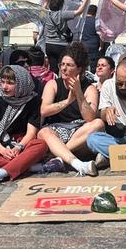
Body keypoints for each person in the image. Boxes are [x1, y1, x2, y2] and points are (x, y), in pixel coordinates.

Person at [0, 65, 48, 189]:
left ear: (21, 84)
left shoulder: (33, 101)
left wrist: (19, 147)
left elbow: (31, 133)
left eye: (10, 83)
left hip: (23, 144)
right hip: (2, 145)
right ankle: (34, 167)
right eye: (2, 82)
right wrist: (3, 151)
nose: (4, 87)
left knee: (41, 145)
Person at [37, 42, 102, 176]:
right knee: (43, 132)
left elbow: (90, 118)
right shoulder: (53, 84)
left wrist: (78, 93)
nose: (64, 69)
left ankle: (58, 156)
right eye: (62, 64)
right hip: (56, 132)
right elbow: (44, 110)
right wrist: (67, 101)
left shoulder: (89, 88)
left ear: (79, 69)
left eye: (69, 65)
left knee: (98, 124)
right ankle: (77, 164)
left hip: (78, 135)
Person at [42, 0, 91, 74]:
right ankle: (62, 84)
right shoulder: (62, 14)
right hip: (61, 45)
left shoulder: (47, 14)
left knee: (53, 69)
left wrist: (46, 2)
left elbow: (42, 9)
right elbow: (79, 11)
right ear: (61, 5)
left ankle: (53, 83)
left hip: (49, 44)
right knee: (64, 68)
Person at [81, 4, 103, 72]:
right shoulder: (97, 22)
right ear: (96, 12)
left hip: (82, 45)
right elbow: (101, 35)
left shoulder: (81, 21)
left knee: (82, 65)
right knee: (93, 66)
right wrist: (101, 46)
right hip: (93, 46)